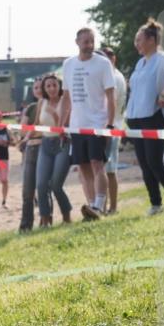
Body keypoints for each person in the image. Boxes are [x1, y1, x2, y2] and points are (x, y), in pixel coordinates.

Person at [124, 18, 164, 215]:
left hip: (154, 117)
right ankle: (156, 205)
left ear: (151, 39)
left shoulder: (162, 59)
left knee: (154, 162)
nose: (136, 44)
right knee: (145, 164)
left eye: (139, 39)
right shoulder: (140, 63)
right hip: (135, 119)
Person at [61, 28, 116, 221]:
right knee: (83, 165)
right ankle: (92, 206)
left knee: (96, 163)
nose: (89, 45)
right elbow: (66, 98)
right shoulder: (68, 64)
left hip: (97, 124)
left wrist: (109, 125)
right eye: (85, 41)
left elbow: (110, 96)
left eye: (91, 41)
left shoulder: (103, 63)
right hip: (77, 125)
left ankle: (100, 204)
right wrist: (63, 125)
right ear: (77, 42)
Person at [34, 74, 73, 227]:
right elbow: (37, 124)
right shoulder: (41, 102)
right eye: (48, 86)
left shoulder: (66, 101)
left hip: (62, 142)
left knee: (56, 184)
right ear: (44, 88)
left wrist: (55, 114)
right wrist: (25, 138)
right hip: (45, 143)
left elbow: (65, 126)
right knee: (41, 184)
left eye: (54, 85)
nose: (51, 88)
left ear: (60, 86)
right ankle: (45, 220)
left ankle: (66, 217)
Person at [100, 47, 127, 213]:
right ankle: (105, 206)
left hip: (111, 127)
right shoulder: (113, 76)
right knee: (106, 169)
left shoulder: (115, 77)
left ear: (112, 59)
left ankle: (111, 207)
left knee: (109, 169)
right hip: (111, 125)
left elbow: (111, 103)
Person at [17, 77, 44, 233]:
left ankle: (45, 220)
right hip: (30, 149)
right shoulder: (30, 108)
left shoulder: (50, 105)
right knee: (27, 191)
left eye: (40, 87)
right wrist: (29, 134)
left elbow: (40, 128)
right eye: (35, 88)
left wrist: (30, 132)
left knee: (43, 188)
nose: (38, 90)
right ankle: (25, 225)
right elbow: (23, 129)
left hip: (45, 147)